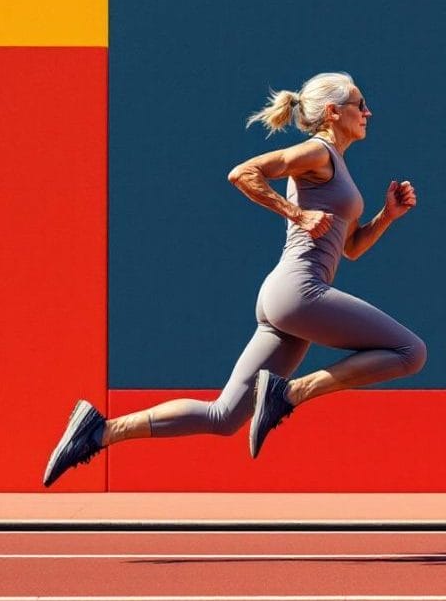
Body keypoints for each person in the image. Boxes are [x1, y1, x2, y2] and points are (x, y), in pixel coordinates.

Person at [43, 72, 426, 487]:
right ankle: (289, 394)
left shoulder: (337, 167)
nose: (368, 112)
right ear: (334, 112)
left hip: (285, 298)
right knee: (409, 352)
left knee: (224, 417)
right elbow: (243, 173)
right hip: (299, 292)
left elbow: (349, 248)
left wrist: (387, 217)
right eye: (360, 104)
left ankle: (98, 431)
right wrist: (296, 213)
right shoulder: (318, 153)